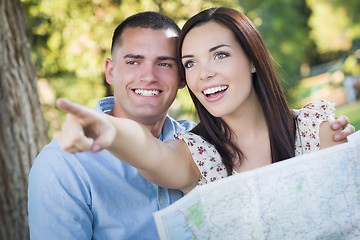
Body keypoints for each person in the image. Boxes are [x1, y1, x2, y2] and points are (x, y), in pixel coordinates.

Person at [29, 10, 353, 240]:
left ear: (253, 59)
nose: (205, 73)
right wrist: (105, 128)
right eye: (191, 63)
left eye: (220, 55)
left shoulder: (318, 130)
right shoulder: (200, 154)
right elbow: (149, 151)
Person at [28, 12, 197, 239]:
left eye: (164, 63)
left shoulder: (200, 143)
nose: (148, 76)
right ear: (111, 71)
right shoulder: (62, 164)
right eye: (134, 62)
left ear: (182, 77)